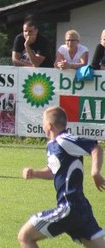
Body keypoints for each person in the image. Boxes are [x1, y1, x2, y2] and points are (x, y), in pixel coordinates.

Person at [17, 106, 105, 248]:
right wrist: (34, 173)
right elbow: (54, 172)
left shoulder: (64, 140)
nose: (42, 125)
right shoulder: (52, 145)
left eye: (43, 122)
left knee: (25, 236)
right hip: (80, 208)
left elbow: (95, 148)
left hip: (69, 207)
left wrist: (95, 172)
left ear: (49, 125)